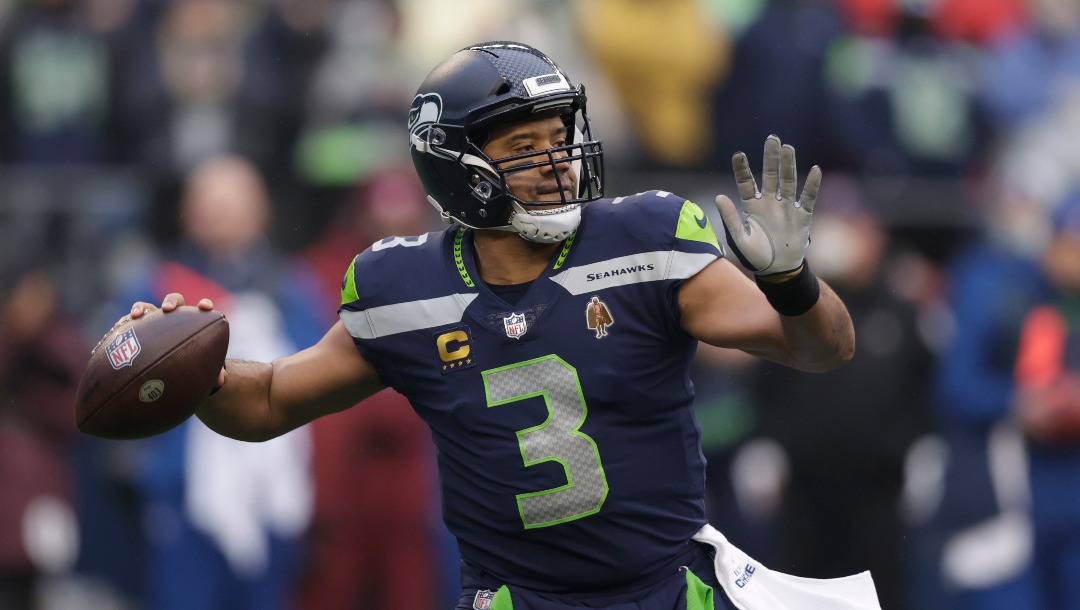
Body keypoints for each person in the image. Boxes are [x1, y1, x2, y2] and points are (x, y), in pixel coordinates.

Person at [120, 41, 876, 609]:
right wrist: (202, 375)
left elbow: (824, 348)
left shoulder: (645, 242)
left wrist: (791, 282)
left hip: (665, 591)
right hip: (517, 599)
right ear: (458, 168)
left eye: (559, 137)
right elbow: (271, 401)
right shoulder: (400, 288)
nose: (558, 162)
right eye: (525, 148)